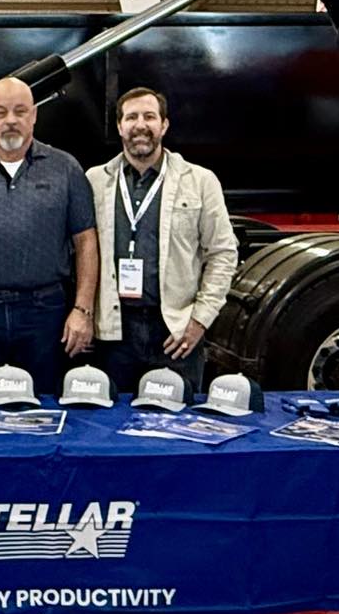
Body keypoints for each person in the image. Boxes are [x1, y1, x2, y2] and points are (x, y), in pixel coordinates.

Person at [0, 77, 99, 393]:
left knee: (44, 410)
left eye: (20, 111)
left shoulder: (66, 169)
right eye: (1, 112)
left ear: (34, 115)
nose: (10, 120)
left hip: (46, 314)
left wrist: (82, 311)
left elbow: (87, 241)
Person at [86, 87, 239, 394]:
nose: (140, 125)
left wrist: (199, 322)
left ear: (164, 125)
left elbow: (223, 254)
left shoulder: (199, 181)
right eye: (131, 117)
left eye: (149, 116)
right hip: (114, 334)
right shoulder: (94, 181)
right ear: (119, 126)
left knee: (178, 430)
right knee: (111, 429)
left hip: (175, 333)